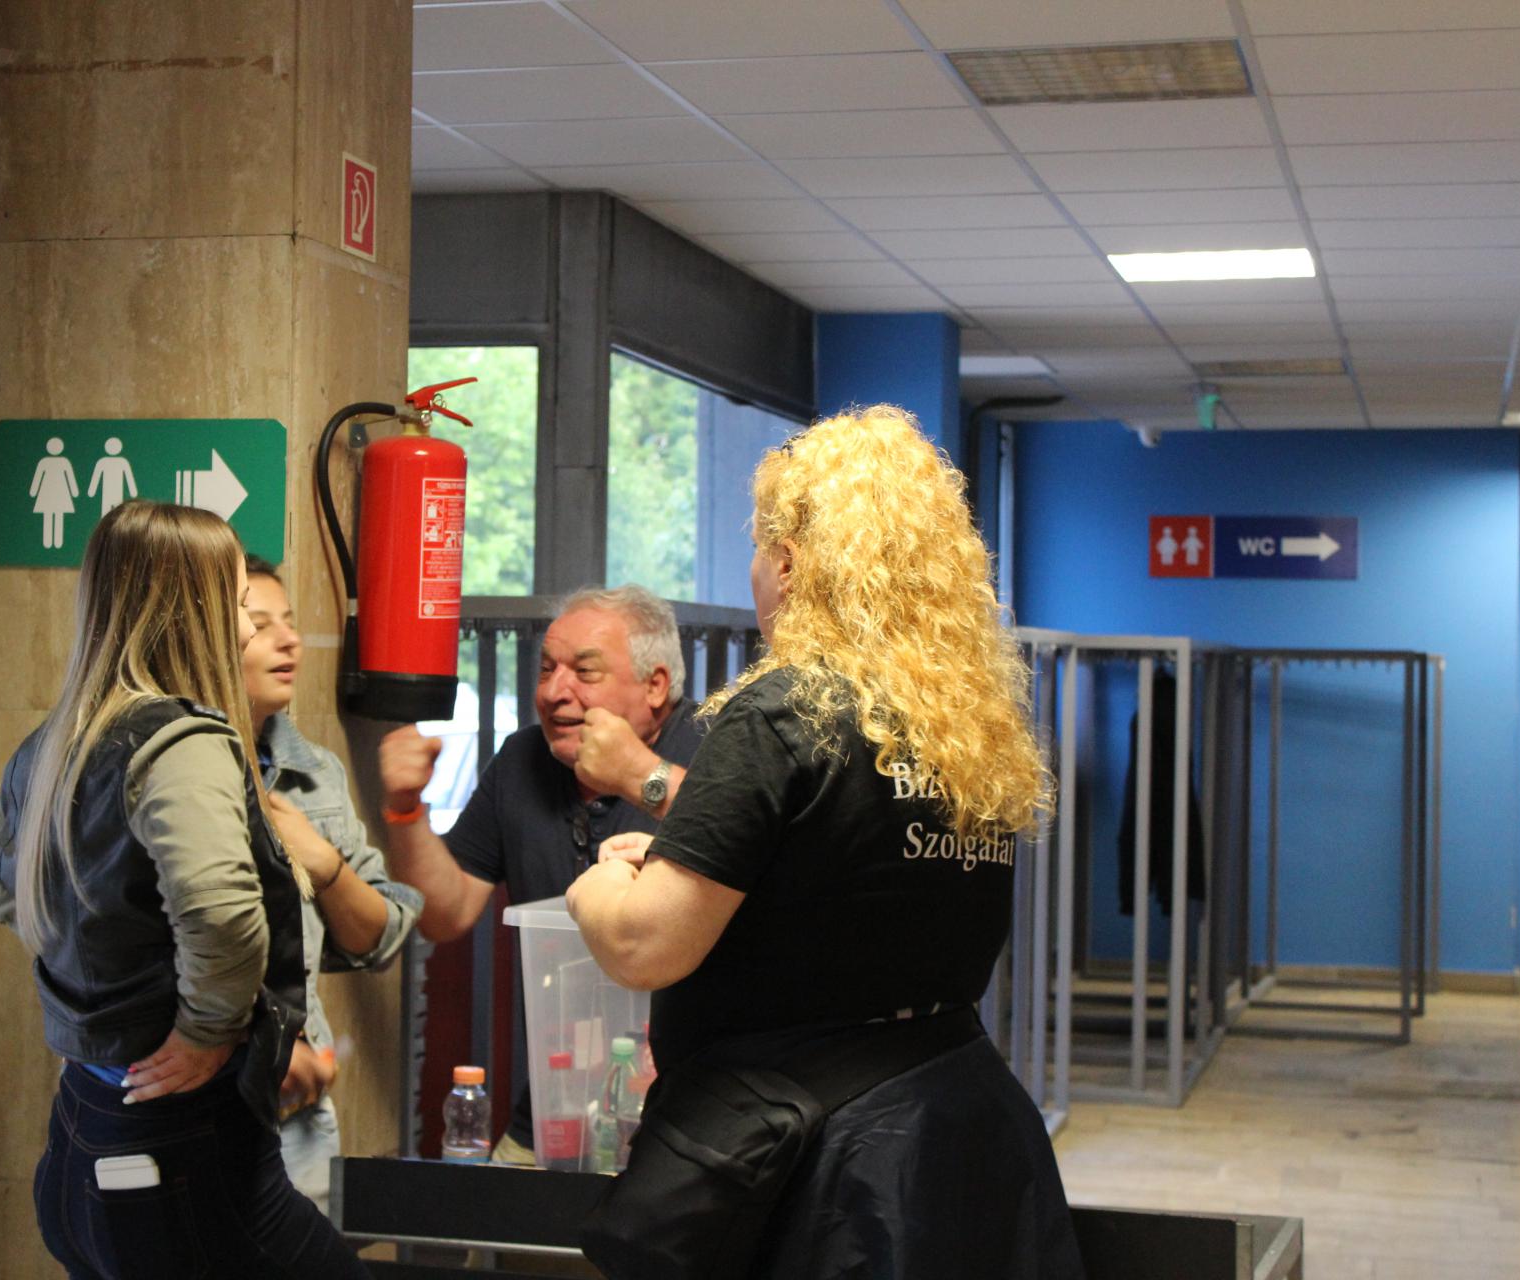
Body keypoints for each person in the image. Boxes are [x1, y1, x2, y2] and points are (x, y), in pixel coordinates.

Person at [567, 408, 1085, 1278]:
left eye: (758, 550)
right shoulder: (965, 728)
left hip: (824, 1164)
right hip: (961, 1127)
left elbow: (643, 944)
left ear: (790, 562)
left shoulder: (784, 712)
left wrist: (600, 888)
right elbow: (846, 896)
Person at [0, 501, 367, 1280]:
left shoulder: (58, 738)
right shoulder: (183, 744)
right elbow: (222, 916)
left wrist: (101, 957)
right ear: (194, 612)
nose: (249, 629)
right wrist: (204, 1031)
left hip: (84, 1136)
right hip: (183, 1156)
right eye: (237, 604)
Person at [376, 584, 705, 1164]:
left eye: (585, 672)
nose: (554, 692)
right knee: (496, 1216)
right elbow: (446, 914)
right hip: (555, 1114)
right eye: (547, 669)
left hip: (687, 1123)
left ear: (655, 686)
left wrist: (640, 776)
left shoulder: (718, 748)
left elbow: (750, 837)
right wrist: (406, 810)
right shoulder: (522, 759)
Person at [241, 554, 423, 1213]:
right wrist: (250, 1039)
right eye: (260, 624)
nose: (290, 640)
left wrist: (324, 866)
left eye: (290, 622)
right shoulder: (159, 766)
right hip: (179, 1104)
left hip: (295, 1120)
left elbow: (381, 936)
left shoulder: (312, 775)